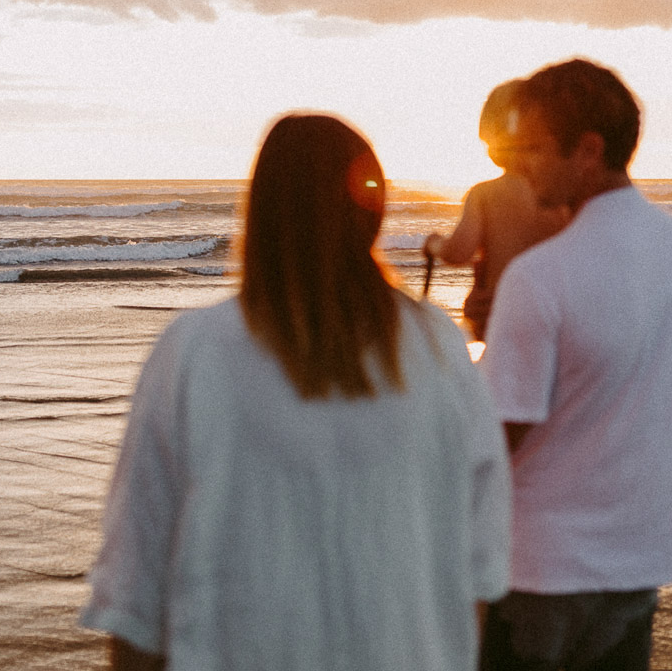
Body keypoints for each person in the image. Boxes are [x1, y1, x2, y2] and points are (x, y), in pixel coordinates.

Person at [79, 113, 512, 671]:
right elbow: (481, 570)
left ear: (260, 213)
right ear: (373, 212)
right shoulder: (440, 350)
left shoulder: (194, 353)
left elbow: (135, 594)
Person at [477, 59, 672, 671]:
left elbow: (497, 433)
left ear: (588, 150)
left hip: (539, 570)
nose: (520, 163)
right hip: (634, 561)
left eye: (533, 147)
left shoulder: (539, 276)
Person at [423, 80, 570, 340]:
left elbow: (459, 252)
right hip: (553, 314)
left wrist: (435, 244)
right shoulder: (563, 196)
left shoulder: (485, 194)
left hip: (501, 313)